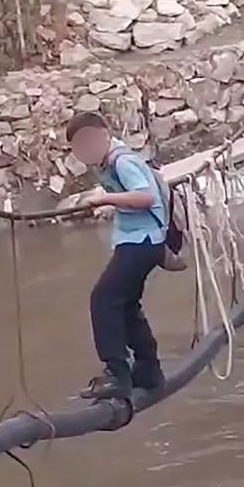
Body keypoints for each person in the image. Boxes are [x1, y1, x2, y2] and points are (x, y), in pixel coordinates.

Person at [67, 111, 168, 399]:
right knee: (125, 304)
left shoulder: (122, 160)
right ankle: (148, 370)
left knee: (103, 299)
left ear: (104, 135)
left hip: (143, 241)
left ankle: (117, 372)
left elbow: (145, 196)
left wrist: (106, 199)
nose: (84, 152)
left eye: (88, 142)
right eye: (78, 147)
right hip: (138, 241)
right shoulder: (106, 164)